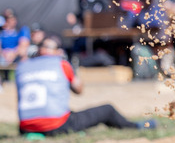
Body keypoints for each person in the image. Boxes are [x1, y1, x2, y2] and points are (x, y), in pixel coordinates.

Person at [16, 35, 156, 135]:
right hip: (55, 125)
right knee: (107, 109)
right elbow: (79, 90)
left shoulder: (22, 67)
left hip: (25, 127)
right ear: (58, 51)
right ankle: (135, 127)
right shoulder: (61, 63)